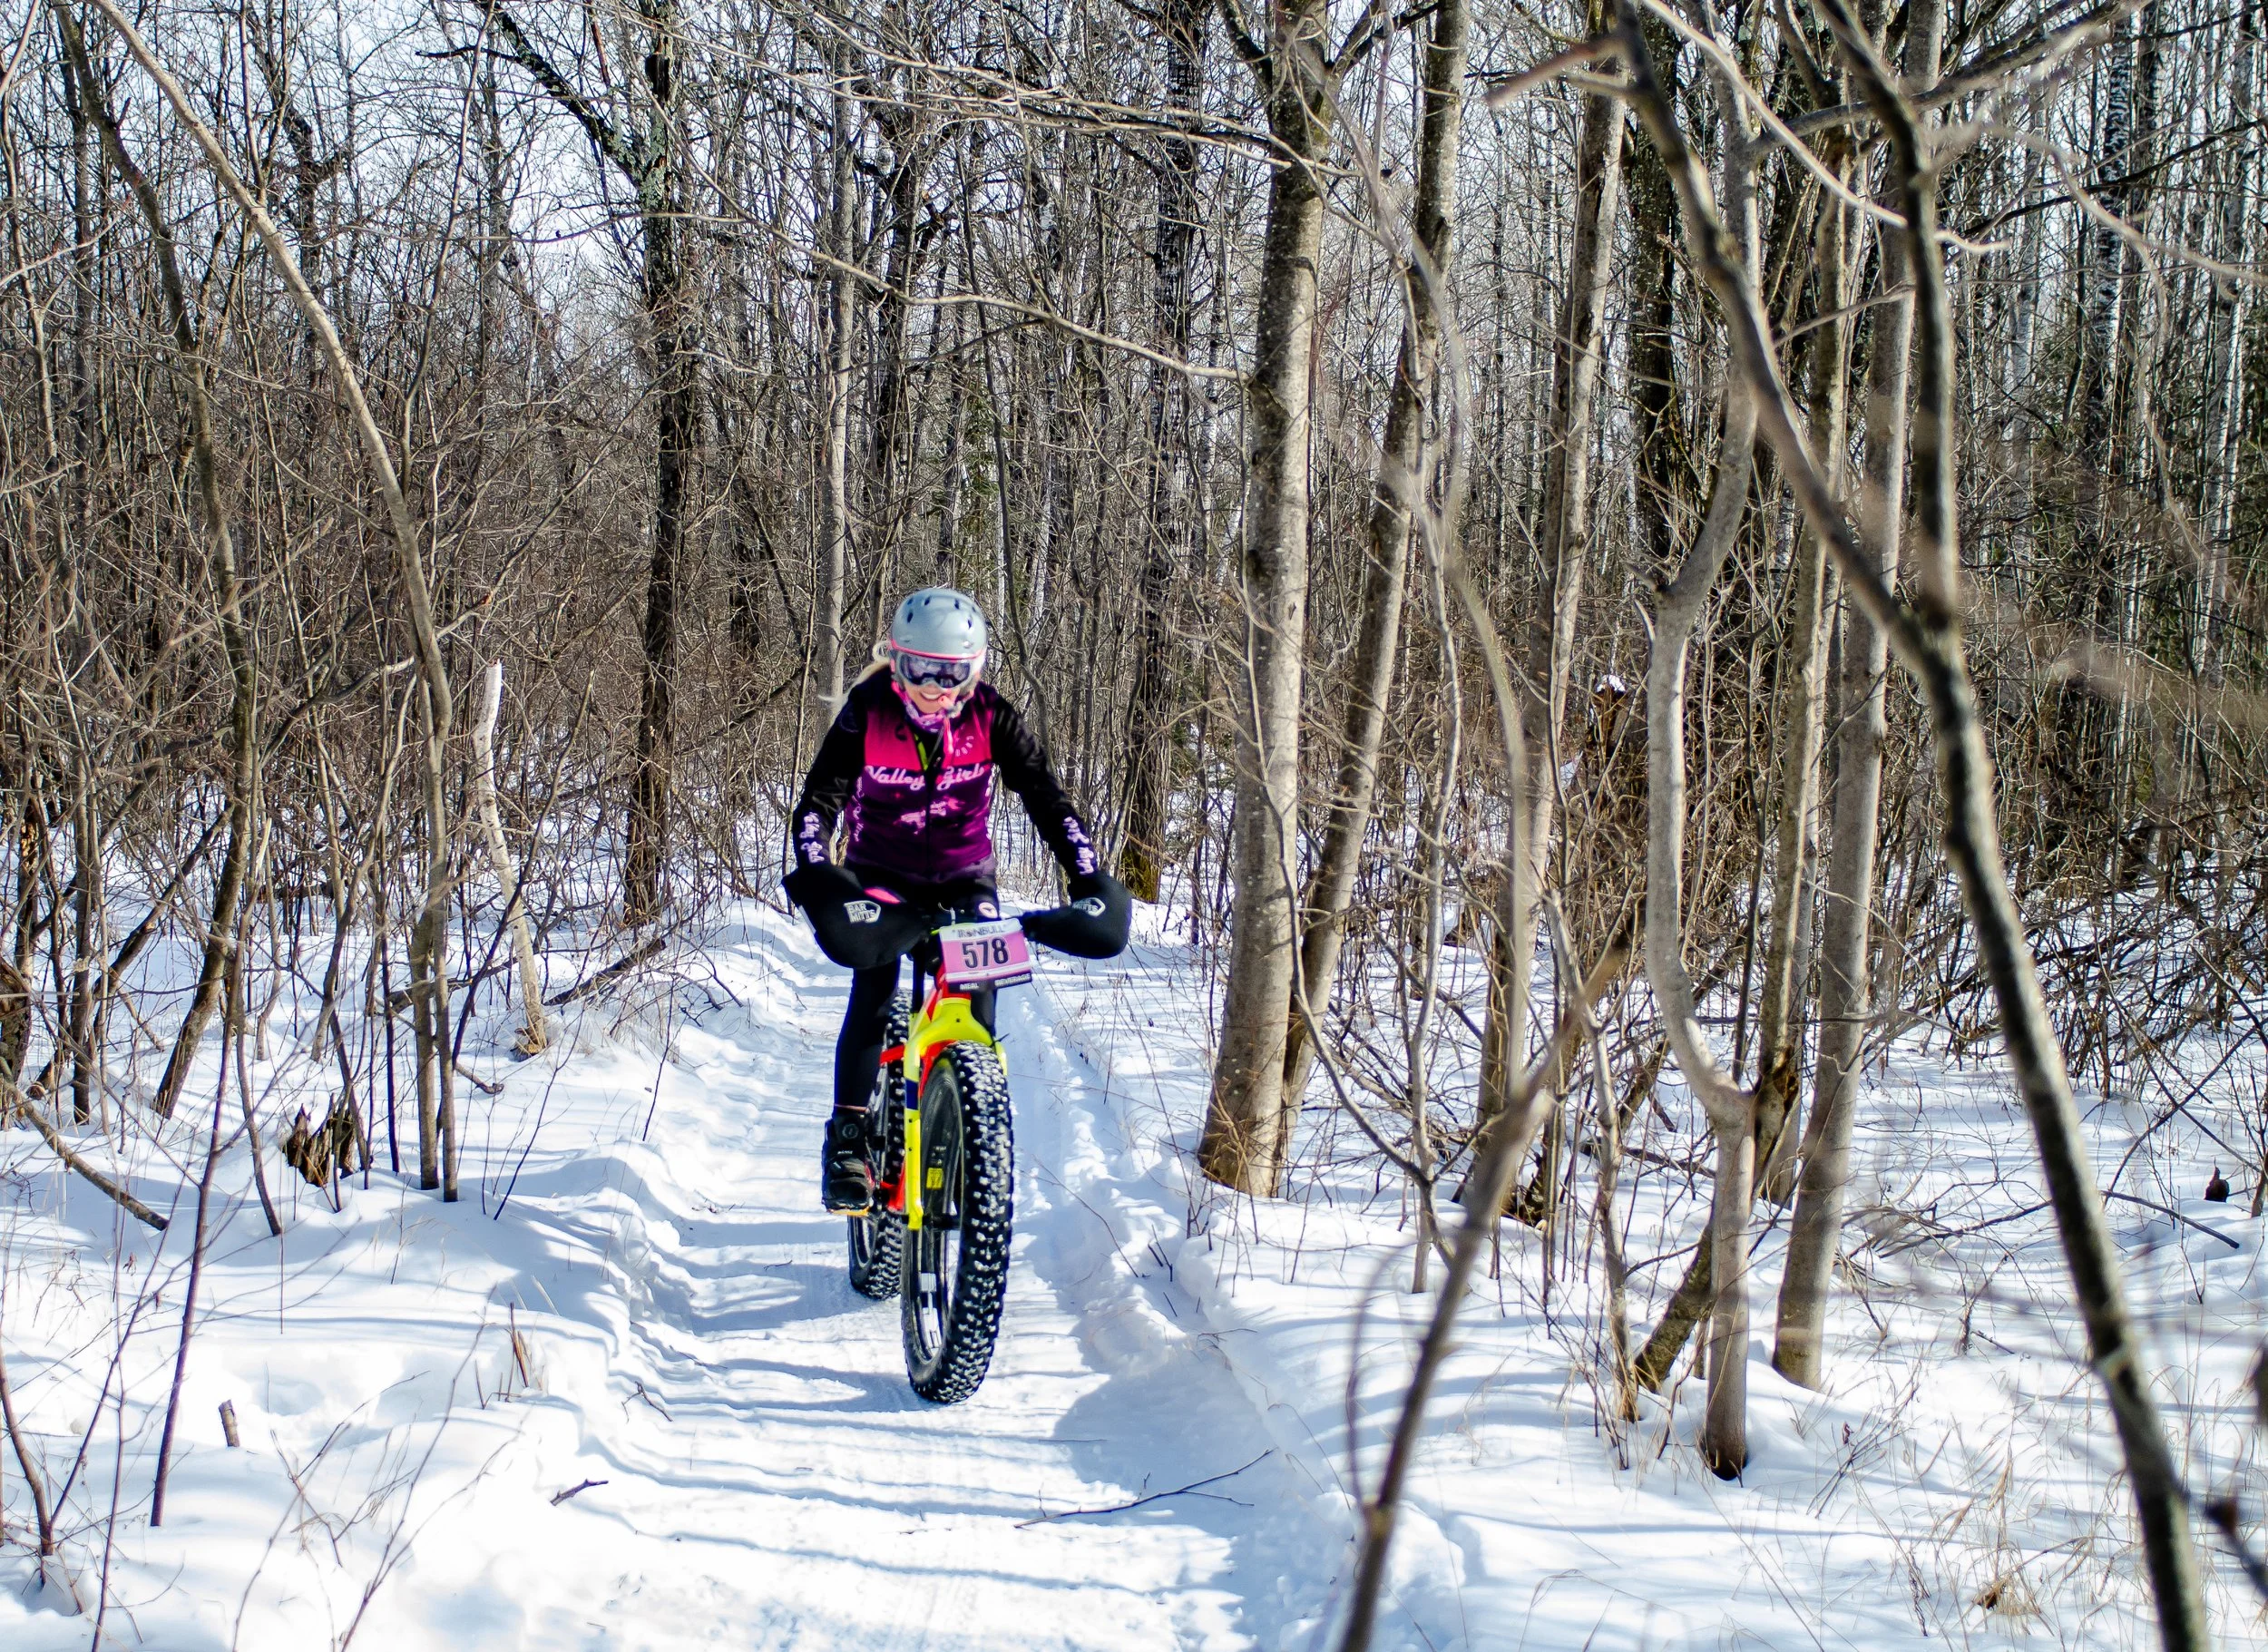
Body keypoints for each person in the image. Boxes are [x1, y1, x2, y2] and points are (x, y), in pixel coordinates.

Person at [784, 587, 1127, 1212]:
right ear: (897, 661)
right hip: (879, 875)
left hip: (965, 877)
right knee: (875, 981)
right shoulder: (868, 711)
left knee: (979, 983)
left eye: (954, 673)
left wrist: (1088, 876)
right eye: (921, 670)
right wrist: (820, 877)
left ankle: (972, 1110)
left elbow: (1046, 798)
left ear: (977, 670)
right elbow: (817, 804)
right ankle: (850, 1137)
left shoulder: (992, 715)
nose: (938, 689)